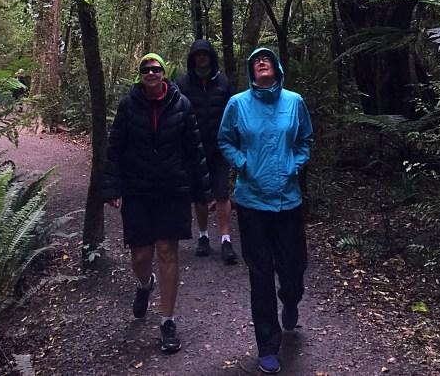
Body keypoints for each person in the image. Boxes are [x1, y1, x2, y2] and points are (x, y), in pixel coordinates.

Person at [103, 52, 211, 354]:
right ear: (141, 76)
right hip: (137, 189)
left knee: (167, 250)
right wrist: (112, 186)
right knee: (141, 254)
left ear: (163, 73)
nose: (151, 73)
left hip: (172, 189)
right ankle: (144, 283)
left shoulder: (182, 105)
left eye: (155, 68)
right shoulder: (128, 105)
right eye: (145, 69)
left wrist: (202, 191)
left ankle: (167, 321)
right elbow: (115, 148)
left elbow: (194, 150)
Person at [218, 47, 313, 376]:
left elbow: (305, 140)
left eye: (267, 58)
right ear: (251, 70)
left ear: (277, 68)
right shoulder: (238, 104)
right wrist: (242, 163)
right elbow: (225, 141)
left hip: (288, 200)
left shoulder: (294, 102)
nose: (261, 62)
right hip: (252, 202)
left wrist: (294, 164)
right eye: (256, 60)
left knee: (293, 268)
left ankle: (291, 299)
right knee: (260, 275)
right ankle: (268, 346)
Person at [176, 38, 238, 264]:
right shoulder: (183, 83)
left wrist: (235, 141)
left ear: (211, 57)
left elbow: (234, 113)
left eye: (205, 54)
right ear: (192, 58)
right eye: (197, 54)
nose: (201, 57)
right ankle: (203, 236)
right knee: (200, 195)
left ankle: (225, 239)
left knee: (222, 193)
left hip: (220, 148)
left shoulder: (223, 83)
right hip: (194, 149)